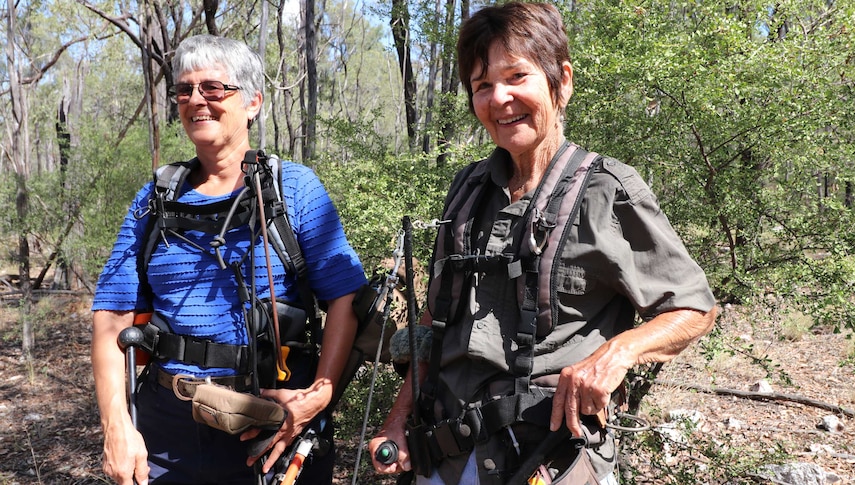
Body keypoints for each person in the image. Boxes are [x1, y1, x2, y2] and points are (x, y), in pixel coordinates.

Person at [369, 3, 717, 484]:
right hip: (446, 461)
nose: (500, 98)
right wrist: (398, 419)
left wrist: (614, 355)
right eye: (482, 85)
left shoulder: (607, 191)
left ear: (562, 81)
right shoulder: (467, 191)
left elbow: (694, 309)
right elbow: (436, 323)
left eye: (517, 76)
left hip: (553, 462)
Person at [91, 34, 367, 485]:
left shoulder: (292, 189)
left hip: (272, 429)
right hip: (167, 431)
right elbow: (110, 315)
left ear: (253, 102)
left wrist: (318, 396)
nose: (196, 100)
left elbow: (346, 295)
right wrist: (117, 427)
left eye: (213, 88)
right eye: (184, 90)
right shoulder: (154, 199)